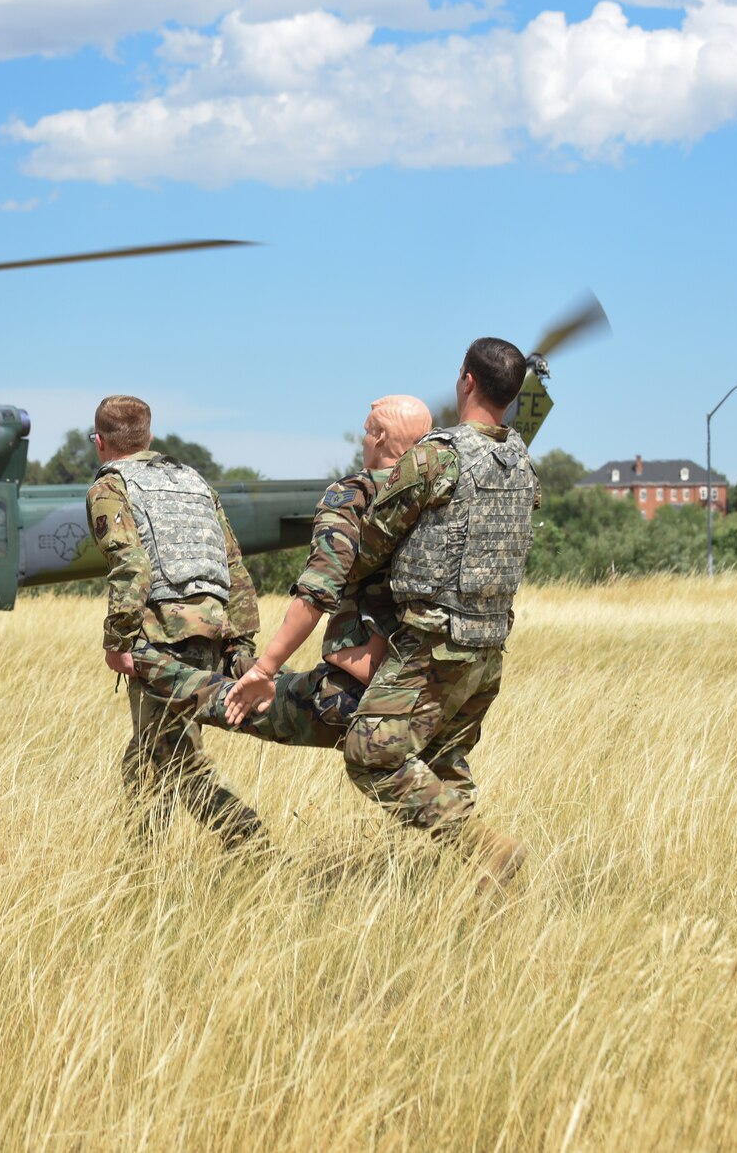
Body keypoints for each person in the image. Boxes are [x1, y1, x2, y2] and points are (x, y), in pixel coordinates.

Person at [231, 340, 539, 889]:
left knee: (370, 755)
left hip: (432, 645)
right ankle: (470, 891)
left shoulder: (437, 455)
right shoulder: (520, 462)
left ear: (465, 380)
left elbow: (374, 539)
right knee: (444, 764)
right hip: (488, 648)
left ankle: (483, 848)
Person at [137, 395, 435, 752]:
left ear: (382, 438)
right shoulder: (438, 497)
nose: (363, 440)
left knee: (247, 702)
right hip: (429, 681)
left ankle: (146, 664)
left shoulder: (353, 495)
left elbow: (317, 593)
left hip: (361, 687)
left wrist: (264, 671)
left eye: (368, 432)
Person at [86, 394, 264, 850]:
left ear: (100, 442)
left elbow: (131, 567)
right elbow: (233, 565)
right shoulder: (193, 481)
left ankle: (251, 840)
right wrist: (241, 644)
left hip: (162, 635)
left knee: (176, 761)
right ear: (147, 437)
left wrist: (117, 641)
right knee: (146, 756)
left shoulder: (109, 487)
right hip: (213, 629)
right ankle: (145, 865)